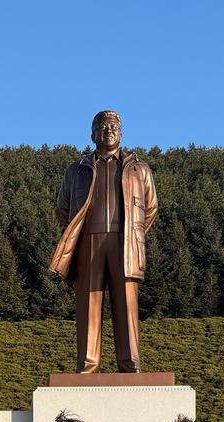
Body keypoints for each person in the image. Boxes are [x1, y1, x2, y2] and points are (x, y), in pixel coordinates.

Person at [48, 110, 159, 373]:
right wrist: (78, 233)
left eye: (113, 126)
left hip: (124, 244)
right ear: (92, 134)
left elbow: (151, 208)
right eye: (102, 126)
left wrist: (134, 235)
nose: (108, 130)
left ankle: (130, 363)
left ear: (121, 132)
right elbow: (62, 208)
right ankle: (88, 363)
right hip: (88, 242)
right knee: (88, 303)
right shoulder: (76, 170)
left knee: (126, 306)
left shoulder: (138, 169)